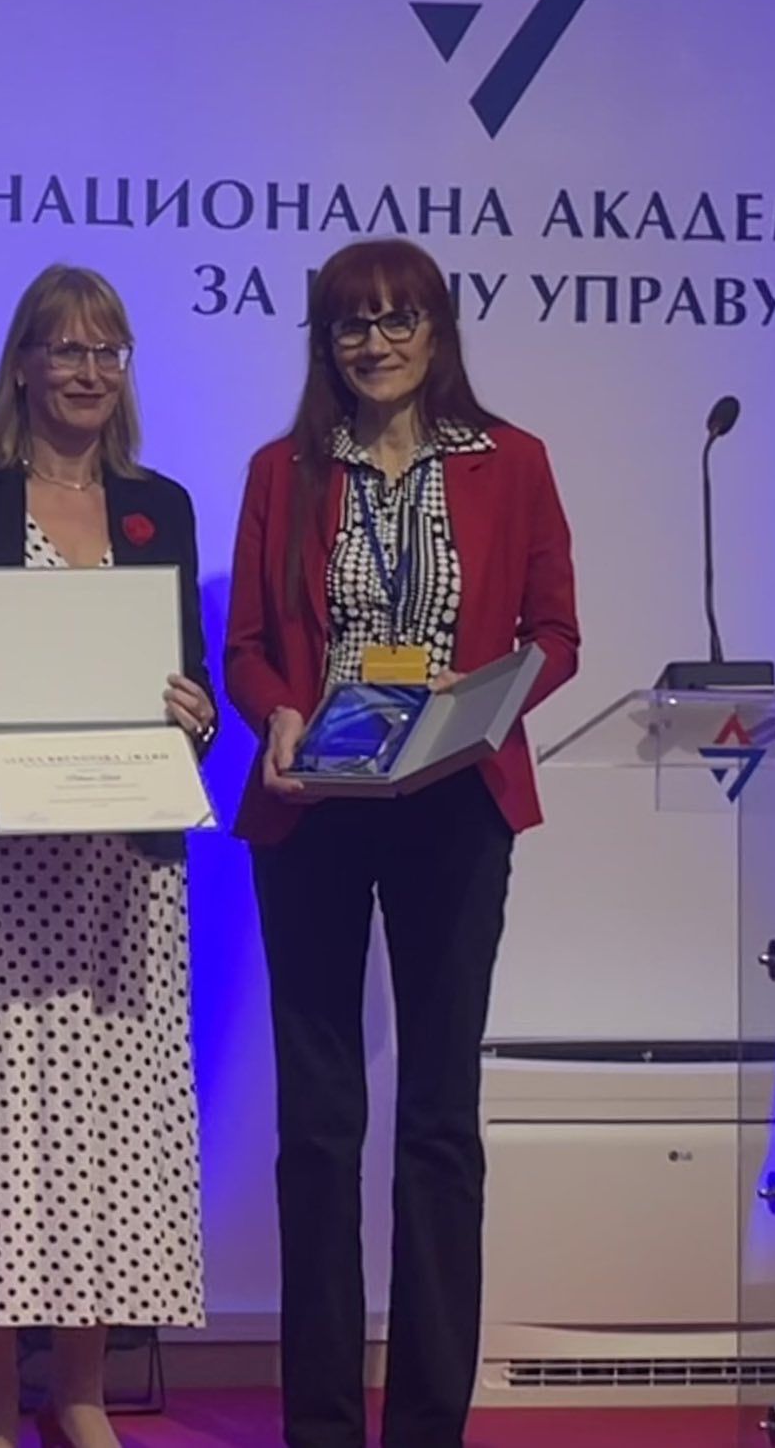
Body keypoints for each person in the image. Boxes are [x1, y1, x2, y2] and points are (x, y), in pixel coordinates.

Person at [225, 237, 579, 1448]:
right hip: (314, 806)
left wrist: (480, 705)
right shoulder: (282, 469)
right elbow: (247, 646)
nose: (374, 343)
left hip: (453, 803)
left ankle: (429, 1423)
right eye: (350, 323)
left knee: (437, 1119)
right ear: (324, 341)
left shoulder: (512, 461)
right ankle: (320, 1425)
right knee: (319, 1126)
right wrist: (279, 710)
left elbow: (555, 633)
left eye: (397, 319)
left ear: (437, 330)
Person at [0, 264, 213, 1448]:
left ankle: (80, 1397)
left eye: (107, 351)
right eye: (64, 349)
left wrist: (195, 714)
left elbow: (185, 676)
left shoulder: (158, 504)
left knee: (101, 1132)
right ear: (20, 363)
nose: (86, 371)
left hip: (112, 870)